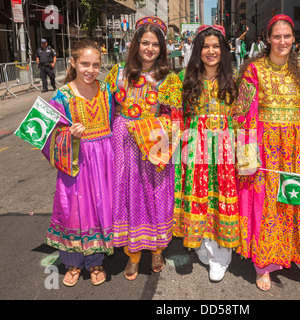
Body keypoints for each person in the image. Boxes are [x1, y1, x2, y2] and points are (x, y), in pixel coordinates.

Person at [236, 14, 300, 292]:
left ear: (294, 39)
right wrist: (248, 150)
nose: (282, 41)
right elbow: (242, 111)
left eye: (287, 36)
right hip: (265, 147)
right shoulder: (254, 70)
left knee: (291, 199)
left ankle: (288, 254)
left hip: (294, 148)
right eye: (277, 36)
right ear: (267, 39)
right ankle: (263, 263)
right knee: (266, 204)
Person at [104, 16, 183, 281]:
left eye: (155, 45)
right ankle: (133, 253)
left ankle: (158, 248)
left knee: (156, 195)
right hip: (124, 146)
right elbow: (106, 108)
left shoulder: (170, 79)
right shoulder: (118, 73)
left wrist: (153, 128)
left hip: (155, 144)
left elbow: (177, 118)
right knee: (128, 197)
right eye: (145, 43)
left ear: (163, 48)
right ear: (136, 44)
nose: (149, 48)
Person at [42, 39, 115, 287]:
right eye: (84, 63)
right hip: (75, 163)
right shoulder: (61, 96)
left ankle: (95, 261)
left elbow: (115, 124)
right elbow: (45, 136)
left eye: (95, 64)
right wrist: (68, 135)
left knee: (99, 209)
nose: (90, 70)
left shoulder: (106, 91)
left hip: (104, 162)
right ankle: (72, 263)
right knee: (73, 212)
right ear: (73, 63)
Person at [174, 24, 240, 282]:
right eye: (205, 47)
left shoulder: (235, 79)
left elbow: (243, 118)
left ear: (223, 50)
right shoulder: (184, 79)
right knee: (199, 196)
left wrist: (244, 152)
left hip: (225, 148)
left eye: (216, 46)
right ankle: (202, 243)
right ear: (197, 50)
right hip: (195, 147)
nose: (211, 51)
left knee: (220, 197)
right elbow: (177, 116)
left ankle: (221, 255)